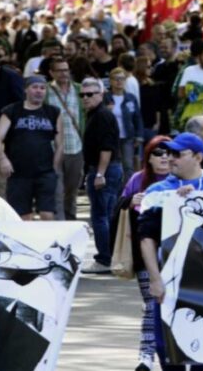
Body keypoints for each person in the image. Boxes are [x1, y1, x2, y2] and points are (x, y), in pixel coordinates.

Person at [139, 133, 203, 371]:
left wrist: (199, 198)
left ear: (198, 157)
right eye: (168, 153)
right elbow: (146, 239)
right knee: (168, 353)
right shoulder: (157, 192)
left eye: (177, 154)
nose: (170, 159)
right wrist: (155, 279)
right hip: (170, 285)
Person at [119, 135, 171, 371]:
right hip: (143, 253)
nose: (164, 158)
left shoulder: (180, 180)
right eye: (157, 153)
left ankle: (170, 352)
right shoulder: (137, 180)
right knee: (152, 303)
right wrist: (130, 201)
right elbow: (116, 212)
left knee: (169, 307)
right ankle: (146, 356)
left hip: (173, 254)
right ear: (148, 158)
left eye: (168, 152)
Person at [0, 76, 63, 221]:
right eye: (35, 87)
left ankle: (47, 243)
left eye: (42, 88)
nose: (39, 91)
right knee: (23, 216)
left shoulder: (53, 112)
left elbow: (60, 143)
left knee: (47, 214)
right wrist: (2, 159)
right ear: (26, 89)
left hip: (45, 172)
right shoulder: (11, 111)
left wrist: (55, 167)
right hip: (18, 173)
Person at [81, 77, 123, 273]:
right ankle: (110, 257)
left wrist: (99, 173)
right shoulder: (94, 114)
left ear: (101, 94)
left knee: (101, 216)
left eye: (90, 94)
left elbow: (106, 148)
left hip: (105, 169)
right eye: (83, 94)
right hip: (105, 169)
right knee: (105, 215)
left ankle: (104, 259)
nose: (86, 98)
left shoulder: (102, 116)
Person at [46, 57, 85, 220]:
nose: (63, 73)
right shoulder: (46, 91)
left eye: (66, 70)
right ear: (51, 72)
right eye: (59, 70)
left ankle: (71, 218)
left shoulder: (79, 89)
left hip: (76, 147)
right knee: (57, 190)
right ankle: (60, 224)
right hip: (53, 149)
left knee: (72, 190)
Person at [104, 67, 143, 181]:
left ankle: (127, 194)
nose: (119, 81)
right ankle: (114, 190)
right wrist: (106, 111)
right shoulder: (105, 98)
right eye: (116, 79)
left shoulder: (131, 98)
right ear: (110, 81)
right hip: (111, 138)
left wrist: (139, 136)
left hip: (128, 137)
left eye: (122, 78)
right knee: (112, 165)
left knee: (128, 166)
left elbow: (137, 117)